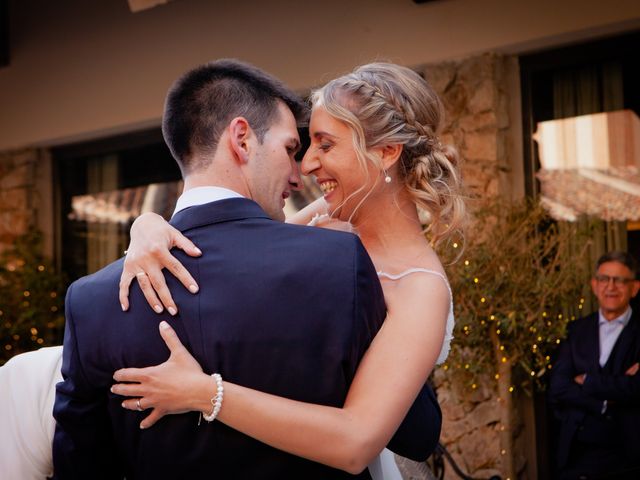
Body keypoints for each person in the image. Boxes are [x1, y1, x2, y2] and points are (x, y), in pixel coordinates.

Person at [49, 59, 442, 480]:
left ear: (386, 153)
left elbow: (80, 464)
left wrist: (207, 393)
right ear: (241, 139)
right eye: (294, 148)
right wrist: (145, 224)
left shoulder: (91, 298)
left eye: (322, 146)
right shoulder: (337, 262)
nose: (302, 169)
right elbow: (417, 433)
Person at [549, 251, 640, 480]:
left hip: (628, 456)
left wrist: (586, 381)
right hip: (576, 454)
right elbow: (558, 387)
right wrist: (607, 399)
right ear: (594, 285)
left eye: (619, 280)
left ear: (635, 287)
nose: (611, 286)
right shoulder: (575, 330)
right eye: (604, 279)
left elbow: (637, 388)